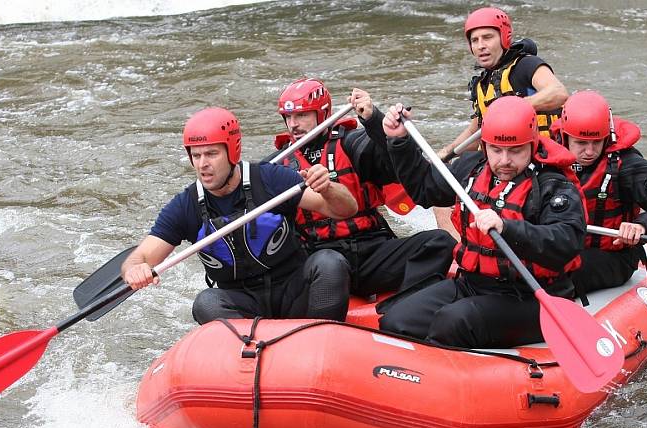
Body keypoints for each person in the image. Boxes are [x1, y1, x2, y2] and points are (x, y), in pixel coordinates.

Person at [379, 96, 586, 348]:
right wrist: (399, 142)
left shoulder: (554, 185)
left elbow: (567, 241)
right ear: (485, 145)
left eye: (515, 150)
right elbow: (424, 191)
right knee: (396, 321)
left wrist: (508, 228)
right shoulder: (472, 167)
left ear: (532, 144)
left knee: (452, 322)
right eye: (496, 150)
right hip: (473, 285)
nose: (505, 161)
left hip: (533, 297)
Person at [121, 107, 358, 324]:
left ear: (232, 151)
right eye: (196, 156)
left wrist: (328, 188)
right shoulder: (186, 205)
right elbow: (139, 257)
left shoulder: (270, 179)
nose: (203, 164)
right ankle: (252, 353)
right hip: (242, 302)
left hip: (293, 290)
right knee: (207, 302)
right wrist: (135, 270)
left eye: (211, 154)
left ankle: (319, 337)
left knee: (329, 263)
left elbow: (346, 209)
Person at [268, 78, 456, 320]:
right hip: (319, 259)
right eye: (288, 117)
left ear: (322, 113)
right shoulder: (276, 164)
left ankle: (404, 309)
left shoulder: (353, 142)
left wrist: (373, 120)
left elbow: (394, 161)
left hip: (370, 252)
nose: (293, 124)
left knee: (440, 242)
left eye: (302, 116)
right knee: (326, 263)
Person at [434, 6, 569, 240]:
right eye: (474, 40)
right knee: (443, 187)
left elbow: (558, 93)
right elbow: (477, 128)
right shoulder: (480, 84)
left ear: (504, 38)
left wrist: (515, 108)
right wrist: (444, 154)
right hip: (501, 161)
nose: (481, 45)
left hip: (537, 160)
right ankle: (461, 250)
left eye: (488, 37)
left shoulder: (526, 65)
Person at [550, 90, 647, 295]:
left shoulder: (627, 164)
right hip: (562, 248)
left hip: (613, 256)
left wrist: (641, 226)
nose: (589, 151)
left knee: (562, 273)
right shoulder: (547, 159)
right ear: (564, 136)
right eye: (581, 143)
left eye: (596, 142)